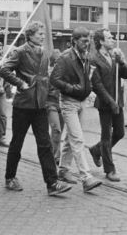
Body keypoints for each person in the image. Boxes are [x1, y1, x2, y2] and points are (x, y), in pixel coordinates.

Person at [0, 21, 72, 196]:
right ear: (30, 34)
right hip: (23, 106)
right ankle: (10, 178)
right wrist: (21, 83)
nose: (43, 36)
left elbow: (45, 77)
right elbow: (4, 69)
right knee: (17, 143)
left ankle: (52, 183)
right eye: (40, 33)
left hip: (40, 105)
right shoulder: (20, 51)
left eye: (43, 33)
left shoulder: (44, 53)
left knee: (45, 144)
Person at [49, 27, 102, 193]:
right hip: (69, 102)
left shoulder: (85, 57)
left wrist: (88, 89)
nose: (87, 44)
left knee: (71, 138)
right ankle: (86, 177)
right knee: (78, 139)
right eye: (83, 41)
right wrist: (71, 89)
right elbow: (54, 79)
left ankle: (63, 170)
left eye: (88, 41)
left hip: (81, 101)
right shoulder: (66, 57)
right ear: (75, 40)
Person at [88, 28, 127, 182]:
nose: (113, 39)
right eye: (109, 38)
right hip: (105, 103)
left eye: (112, 37)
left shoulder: (114, 55)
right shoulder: (94, 59)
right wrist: (111, 102)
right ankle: (109, 169)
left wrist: (122, 62)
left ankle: (96, 150)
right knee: (106, 135)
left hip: (117, 101)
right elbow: (97, 85)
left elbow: (125, 75)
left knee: (119, 133)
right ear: (101, 41)